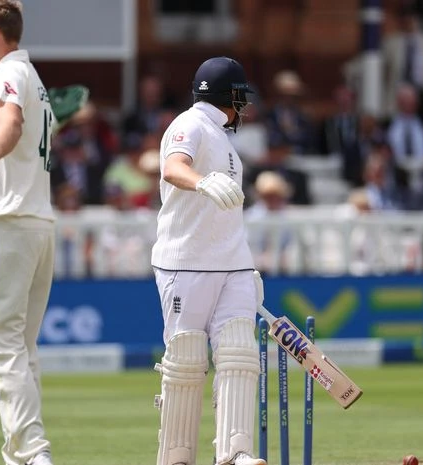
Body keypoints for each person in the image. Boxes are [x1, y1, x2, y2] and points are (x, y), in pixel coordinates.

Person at [0, 2, 88, 465]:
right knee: (22, 347)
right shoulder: (35, 79)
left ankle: (33, 452)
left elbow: (10, 123)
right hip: (36, 223)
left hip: (5, 224)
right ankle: (20, 455)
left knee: (1, 343)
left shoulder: (7, 75)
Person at [151, 56, 266, 465]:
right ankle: (177, 457)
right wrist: (201, 181)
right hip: (186, 262)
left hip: (231, 262)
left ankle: (235, 454)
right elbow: (172, 167)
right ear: (228, 95)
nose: (244, 107)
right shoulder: (189, 124)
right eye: (241, 98)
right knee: (186, 360)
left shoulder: (223, 137)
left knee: (239, 354)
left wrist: (243, 266)